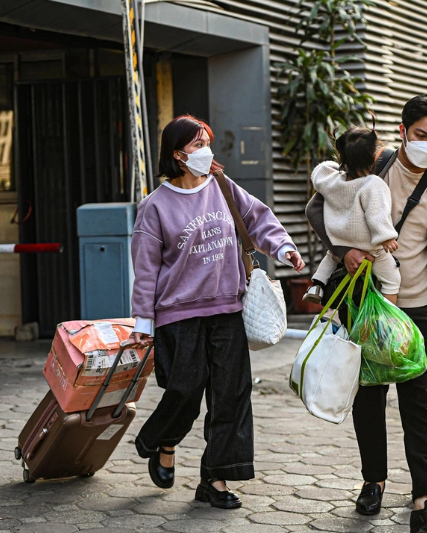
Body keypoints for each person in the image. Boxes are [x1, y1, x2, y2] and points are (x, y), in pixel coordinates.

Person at [307, 94, 427, 533]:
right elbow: (317, 208)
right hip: (368, 303)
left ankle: (423, 499)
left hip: (420, 309)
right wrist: (345, 250)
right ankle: (373, 480)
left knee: (421, 405)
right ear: (403, 131)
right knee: (369, 399)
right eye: (422, 135)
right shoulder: (369, 166)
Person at [128, 115, 305, 509]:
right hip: (178, 315)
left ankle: (216, 481)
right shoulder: (154, 207)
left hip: (227, 308)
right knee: (185, 391)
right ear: (177, 155)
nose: (206, 150)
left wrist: (282, 247)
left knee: (231, 396)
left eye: (207, 141)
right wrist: (143, 321)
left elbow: (259, 219)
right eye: (197, 144)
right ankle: (162, 440)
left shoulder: (223, 187)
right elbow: (145, 269)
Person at [303, 127, 400, 305]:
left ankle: (317, 284)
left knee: (331, 257)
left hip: (341, 240)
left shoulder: (331, 181)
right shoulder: (373, 184)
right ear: (373, 157)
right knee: (392, 279)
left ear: (341, 157)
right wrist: (387, 237)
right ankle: (389, 319)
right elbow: (376, 215)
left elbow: (321, 172)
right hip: (371, 247)